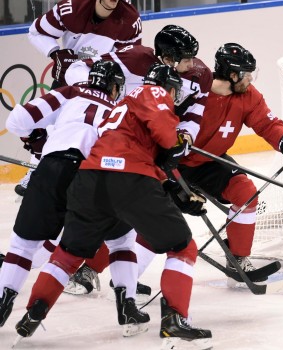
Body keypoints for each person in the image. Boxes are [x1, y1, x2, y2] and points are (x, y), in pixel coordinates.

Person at [13, 64, 212, 348]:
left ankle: (35, 310)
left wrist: (172, 187)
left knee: (68, 254)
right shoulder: (153, 91)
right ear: (168, 87)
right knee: (182, 247)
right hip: (128, 180)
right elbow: (166, 139)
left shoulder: (122, 106)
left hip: (90, 180)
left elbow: (145, 152)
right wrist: (177, 143)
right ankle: (174, 320)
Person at [137, 42, 283, 283]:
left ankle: (238, 257)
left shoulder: (248, 96)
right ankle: (122, 273)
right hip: (171, 162)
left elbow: (267, 124)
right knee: (157, 218)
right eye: (246, 74)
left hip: (211, 161)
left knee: (246, 193)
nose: (251, 79)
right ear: (232, 74)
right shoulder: (195, 91)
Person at [63, 24, 212, 296]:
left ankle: (109, 273)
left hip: (155, 146)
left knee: (130, 214)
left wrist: (185, 138)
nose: (193, 64)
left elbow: (195, 113)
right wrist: (101, 100)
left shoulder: (201, 75)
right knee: (115, 212)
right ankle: (77, 265)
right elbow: (76, 69)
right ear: (167, 58)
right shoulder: (134, 59)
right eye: (186, 58)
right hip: (118, 145)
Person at [0, 61, 129, 329]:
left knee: (23, 245)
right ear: (115, 87)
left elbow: (17, 121)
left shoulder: (70, 92)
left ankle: (3, 302)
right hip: (92, 178)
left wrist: (38, 140)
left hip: (52, 168)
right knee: (120, 240)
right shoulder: (120, 110)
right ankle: (126, 305)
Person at [15, 0, 142, 197]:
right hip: (67, 79)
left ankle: (96, 176)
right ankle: (36, 169)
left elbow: (129, 58)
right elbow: (35, 32)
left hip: (102, 84)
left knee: (96, 131)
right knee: (47, 125)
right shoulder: (72, 8)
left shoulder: (129, 18)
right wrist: (56, 53)